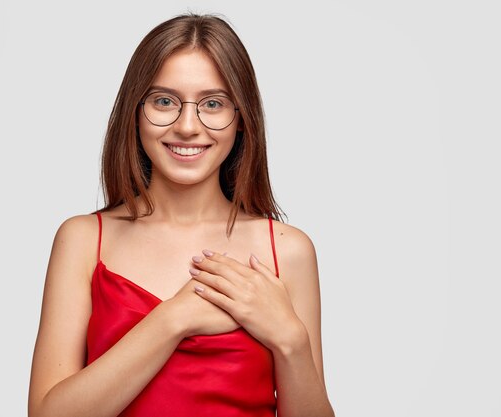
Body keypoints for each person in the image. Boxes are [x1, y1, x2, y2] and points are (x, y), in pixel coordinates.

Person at [28, 12, 335, 417]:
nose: (188, 126)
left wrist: (291, 339)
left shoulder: (287, 250)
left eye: (212, 103)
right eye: (164, 101)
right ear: (135, 113)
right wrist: (174, 319)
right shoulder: (84, 239)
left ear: (241, 119)